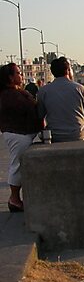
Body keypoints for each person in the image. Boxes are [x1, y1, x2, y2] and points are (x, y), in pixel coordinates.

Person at [0, 63, 44, 212]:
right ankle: (14, 198)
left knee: (19, 164)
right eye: (18, 73)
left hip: (23, 132)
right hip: (17, 133)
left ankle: (16, 198)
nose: (21, 75)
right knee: (17, 165)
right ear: (10, 78)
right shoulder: (8, 95)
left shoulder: (16, 92)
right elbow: (26, 109)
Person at [36, 57, 84, 142]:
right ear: (68, 70)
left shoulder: (43, 91)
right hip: (78, 134)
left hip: (55, 136)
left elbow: (40, 117)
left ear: (53, 72)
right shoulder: (80, 88)